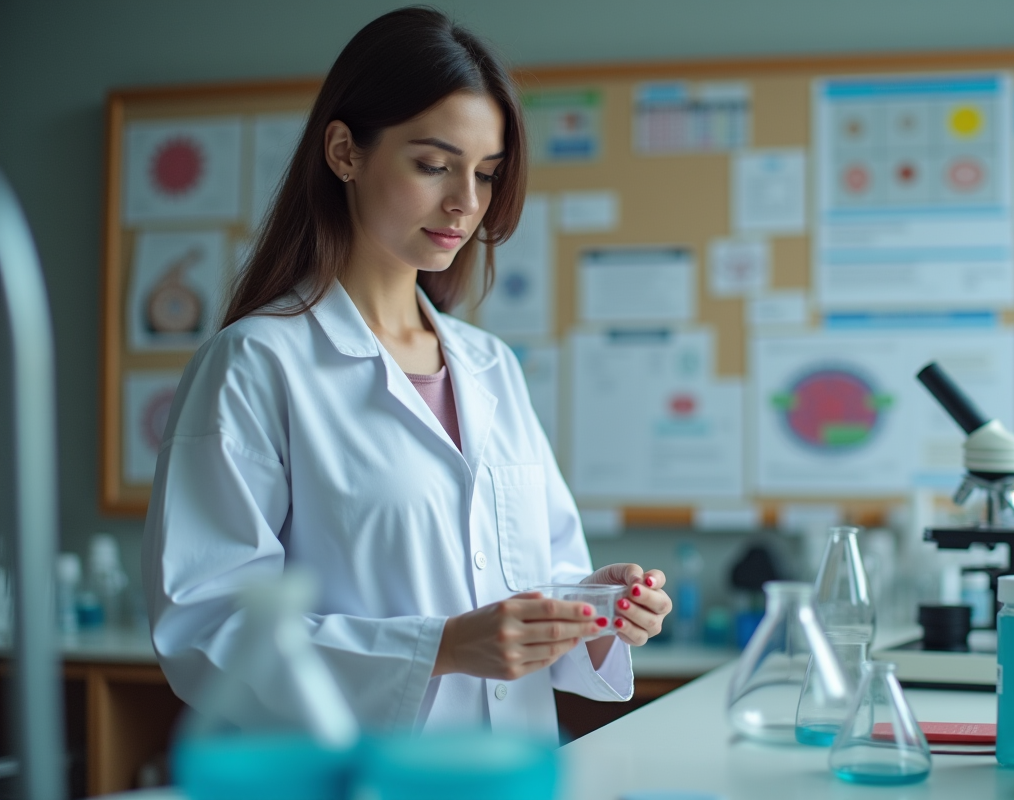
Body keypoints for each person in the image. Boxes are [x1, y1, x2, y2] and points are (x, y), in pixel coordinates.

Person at [142, 6, 672, 738]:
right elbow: (208, 627)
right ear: (344, 152)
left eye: (486, 175)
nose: (466, 203)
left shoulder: (489, 367)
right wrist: (441, 649)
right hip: (356, 776)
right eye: (433, 165)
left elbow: (529, 577)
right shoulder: (258, 363)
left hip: (506, 770)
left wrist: (596, 604)